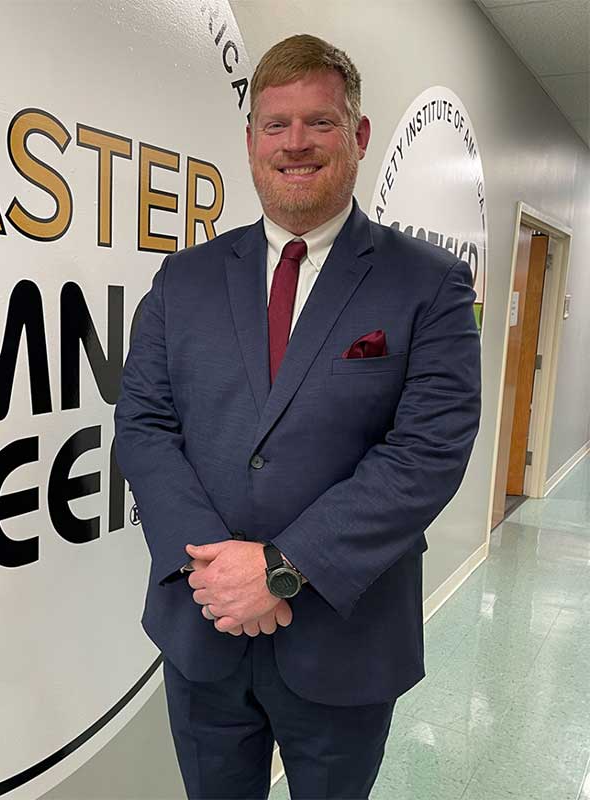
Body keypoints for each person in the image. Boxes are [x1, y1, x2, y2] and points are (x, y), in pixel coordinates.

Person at [114, 33, 481, 800]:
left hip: (344, 643)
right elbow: (145, 424)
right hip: (202, 627)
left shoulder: (430, 284)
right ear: (251, 142)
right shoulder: (184, 281)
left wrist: (282, 568)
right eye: (275, 125)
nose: (296, 144)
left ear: (359, 135)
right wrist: (211, 569)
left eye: (320, 122)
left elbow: (428, 451)